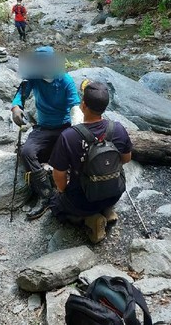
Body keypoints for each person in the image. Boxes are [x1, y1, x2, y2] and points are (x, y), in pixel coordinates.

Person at [49, 81, 133, 243]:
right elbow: (126, 159)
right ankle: (107, 210)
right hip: (114, 192)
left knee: (55, 204)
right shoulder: (118, 129)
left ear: (83, 105)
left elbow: (58, 174)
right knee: (100, 195)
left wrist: (63, 191)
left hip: (82, 200)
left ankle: (91, 219)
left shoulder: (69, 136)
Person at [11, 46, 81, 220]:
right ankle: (46, 195)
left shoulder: (65, 80)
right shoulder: (33, 78)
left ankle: (71, 188)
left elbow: (74, 107)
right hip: (43, 128)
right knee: (26, 152)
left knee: (76, 152)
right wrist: (15, 107)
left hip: (65, 127)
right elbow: (21, 93)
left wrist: (76, 130)